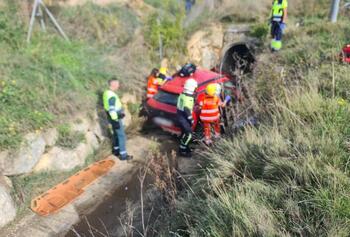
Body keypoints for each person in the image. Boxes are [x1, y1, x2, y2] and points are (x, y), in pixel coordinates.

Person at [103, 78, 133, 160]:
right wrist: (116, 119)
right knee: (121, 135)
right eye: (118, 84)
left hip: (112, 117)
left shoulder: (106, 93)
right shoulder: (111, 95)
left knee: (116, 134)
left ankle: (116, 150)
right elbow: (112, 109)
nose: (119, 85)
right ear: (113, 85)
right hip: (114, 118)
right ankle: (123, 155)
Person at [177, 78, 198, 157]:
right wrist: (191, 119)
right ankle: (182, 150)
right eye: (195, 88)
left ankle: (185, 147)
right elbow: (186, 109)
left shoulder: (182, 94)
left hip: (180, 115)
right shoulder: (188, 98)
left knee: (184, 133)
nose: (196, 89)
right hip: (184, 118)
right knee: (188, 134)